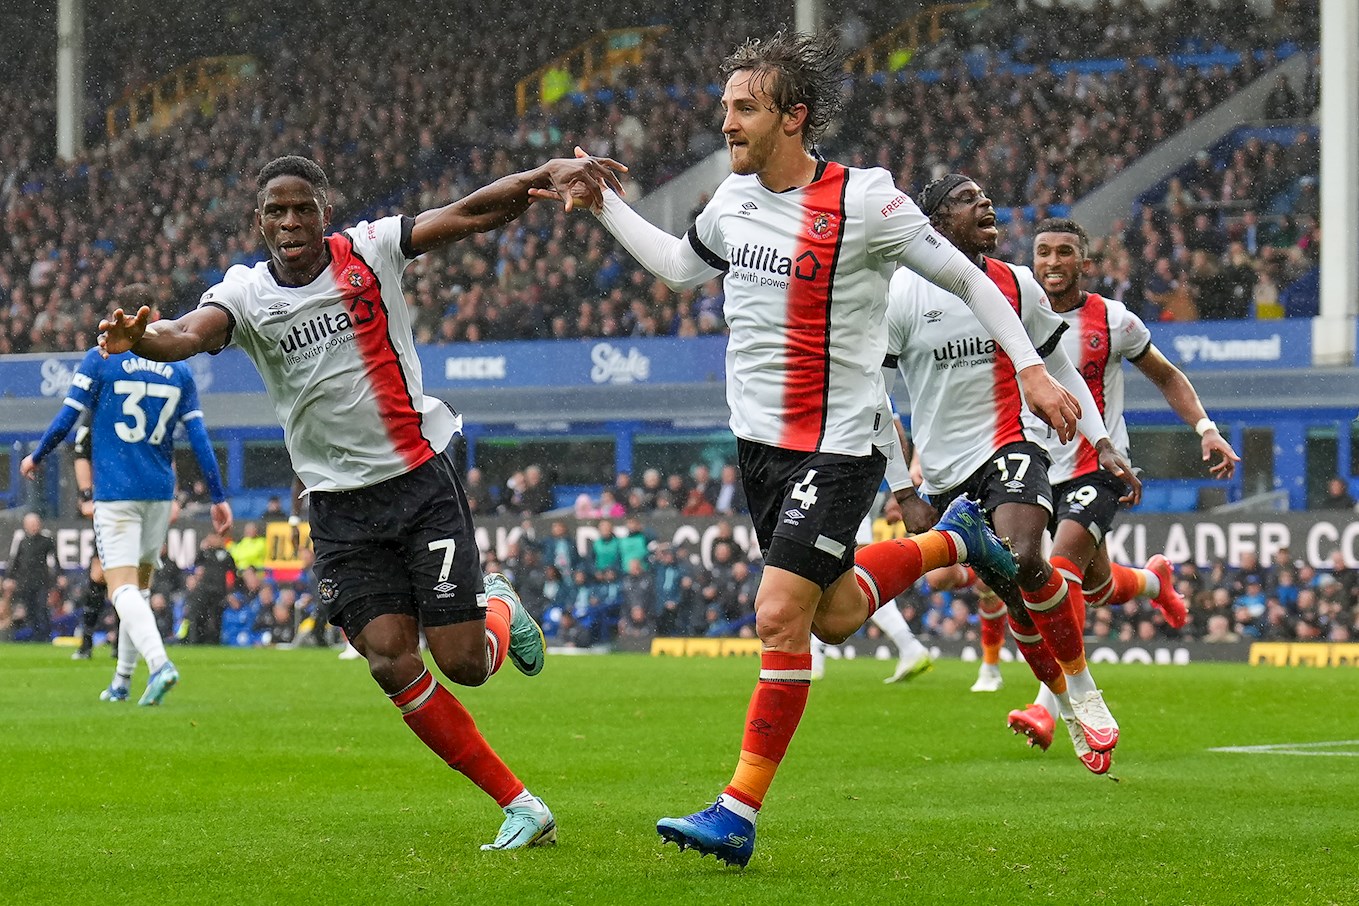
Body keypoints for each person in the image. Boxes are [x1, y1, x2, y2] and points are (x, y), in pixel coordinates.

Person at [534, 33, 1080, 866]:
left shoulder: (866, 201)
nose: (727, 124)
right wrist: (603, 203)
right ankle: (956, 540)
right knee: (831, 616)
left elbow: (970, 280)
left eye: (743, 108)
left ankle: (736, 812)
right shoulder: (731, 200)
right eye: (724, 108)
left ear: (794, 116)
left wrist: (1034, 371)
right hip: (757, 447)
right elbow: (683, 271)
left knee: (776, 615)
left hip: (837, 444)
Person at [97, 151, 625, 850]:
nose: (289, 222)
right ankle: (520, 804)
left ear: (325, 210)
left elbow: (468, 212)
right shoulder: (245, 294)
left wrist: (540, 178)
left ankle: (498, 604)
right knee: (386, 656)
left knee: (465, 664)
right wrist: (147, 342)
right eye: (276, 212)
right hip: (339, 509)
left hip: (417, 485)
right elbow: (190, 333)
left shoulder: (371, 251)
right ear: (259, 222)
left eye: (301, 209)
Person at [881, 176, 1141, 776]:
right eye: (969, 199)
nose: (986, 205)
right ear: (939, 221)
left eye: (985, 196)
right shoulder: (902, 295)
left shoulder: (1015, 283)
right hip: (945, 472)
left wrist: (1101, 442)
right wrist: (904, 491)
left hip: (1009, 444)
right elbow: (874, 394)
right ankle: (1067, 707)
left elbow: (1057, 368)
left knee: (1027, 557)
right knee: (1015, 602)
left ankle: (1082, 689)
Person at [1003, 217, 1240, 757]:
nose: (1054, 262)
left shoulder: (1113, 321)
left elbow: (1167, 376)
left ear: (1085, 263)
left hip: (1099, 464)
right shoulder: (1008, 314)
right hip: (1035, 465)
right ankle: (1156, 583)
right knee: (1094, 585)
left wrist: (1206, 429)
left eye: (1066, 252)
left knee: (1058, 570)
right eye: (1044, 252)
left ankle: (1049, 704)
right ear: (1032, 260)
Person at [21, 299, 233, 705]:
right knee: (137, 588)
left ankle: (160, 665)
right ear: (156, 321)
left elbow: (68, 418)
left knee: (121, 589)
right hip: (159, 492)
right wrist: (218, 496)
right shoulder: (179, 369)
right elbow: (200, 440)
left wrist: (38, 455)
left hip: (117, 494)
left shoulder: (101, 359)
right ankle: (122, 680)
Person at [69, 414, 113, 659]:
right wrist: (87, 495)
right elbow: (82, 448)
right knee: (102, 575)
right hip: (115, 501)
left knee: (131, 579)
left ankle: (121, 647)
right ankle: (87, 641)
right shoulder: (97, 413)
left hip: (125, 499)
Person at [6, 513, 58, 642]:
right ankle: (35, 635)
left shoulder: (46, 541)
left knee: (41, 608)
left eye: (35, 524)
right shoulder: (23, 542)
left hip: (41, 581)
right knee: (30, 609)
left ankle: (44, 636)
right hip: (26, 581)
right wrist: (10, 577)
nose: (33, 527)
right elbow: (16, 561)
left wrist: (59, 575)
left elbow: (56, 559)